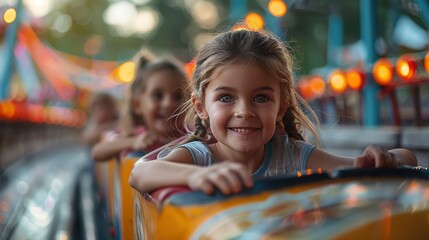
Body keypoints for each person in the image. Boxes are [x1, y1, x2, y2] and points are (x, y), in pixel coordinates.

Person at [128, 29, 417, 195]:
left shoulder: (293, 155)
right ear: (201, 107)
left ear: (282, 107)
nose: (244, 111)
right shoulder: (198, 158)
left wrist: (390, 158)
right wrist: (191, 177)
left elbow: (398, 161)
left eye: (261, 98)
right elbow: (140, 172)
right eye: (227, 97)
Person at [91, 51, 190, 161]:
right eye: (157, 96)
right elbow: (97, 152)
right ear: (137, 105)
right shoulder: (138, 136)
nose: (168, 104)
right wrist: (132, 142)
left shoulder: (192, 135)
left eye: (178, 96)